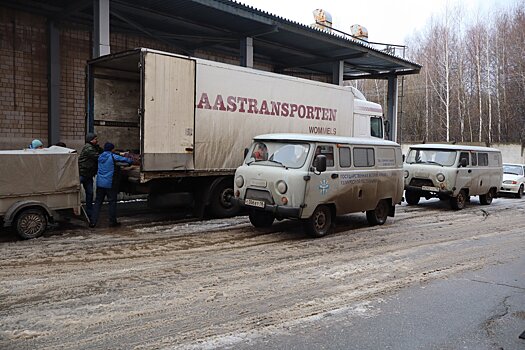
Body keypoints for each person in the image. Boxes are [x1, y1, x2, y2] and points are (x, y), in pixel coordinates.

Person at [89, 142, 133, 228]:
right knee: (112, 202)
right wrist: (130, 160)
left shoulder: (100, 157)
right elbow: (125, 160)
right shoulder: (112, 156)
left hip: (100, 183)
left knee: (98, 202)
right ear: (111, 149)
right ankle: (112, 221)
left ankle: (93, 222)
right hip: (110, 184)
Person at [78, 133, 102, 219]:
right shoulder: (89, 148)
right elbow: (98, 157)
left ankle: (89, 211)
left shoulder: (93, 147)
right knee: (83, 192)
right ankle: (81, 210)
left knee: (90, 193)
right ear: (91, 140)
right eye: (95, 139)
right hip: (83, 174)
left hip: (88, 174)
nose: (97, 140)